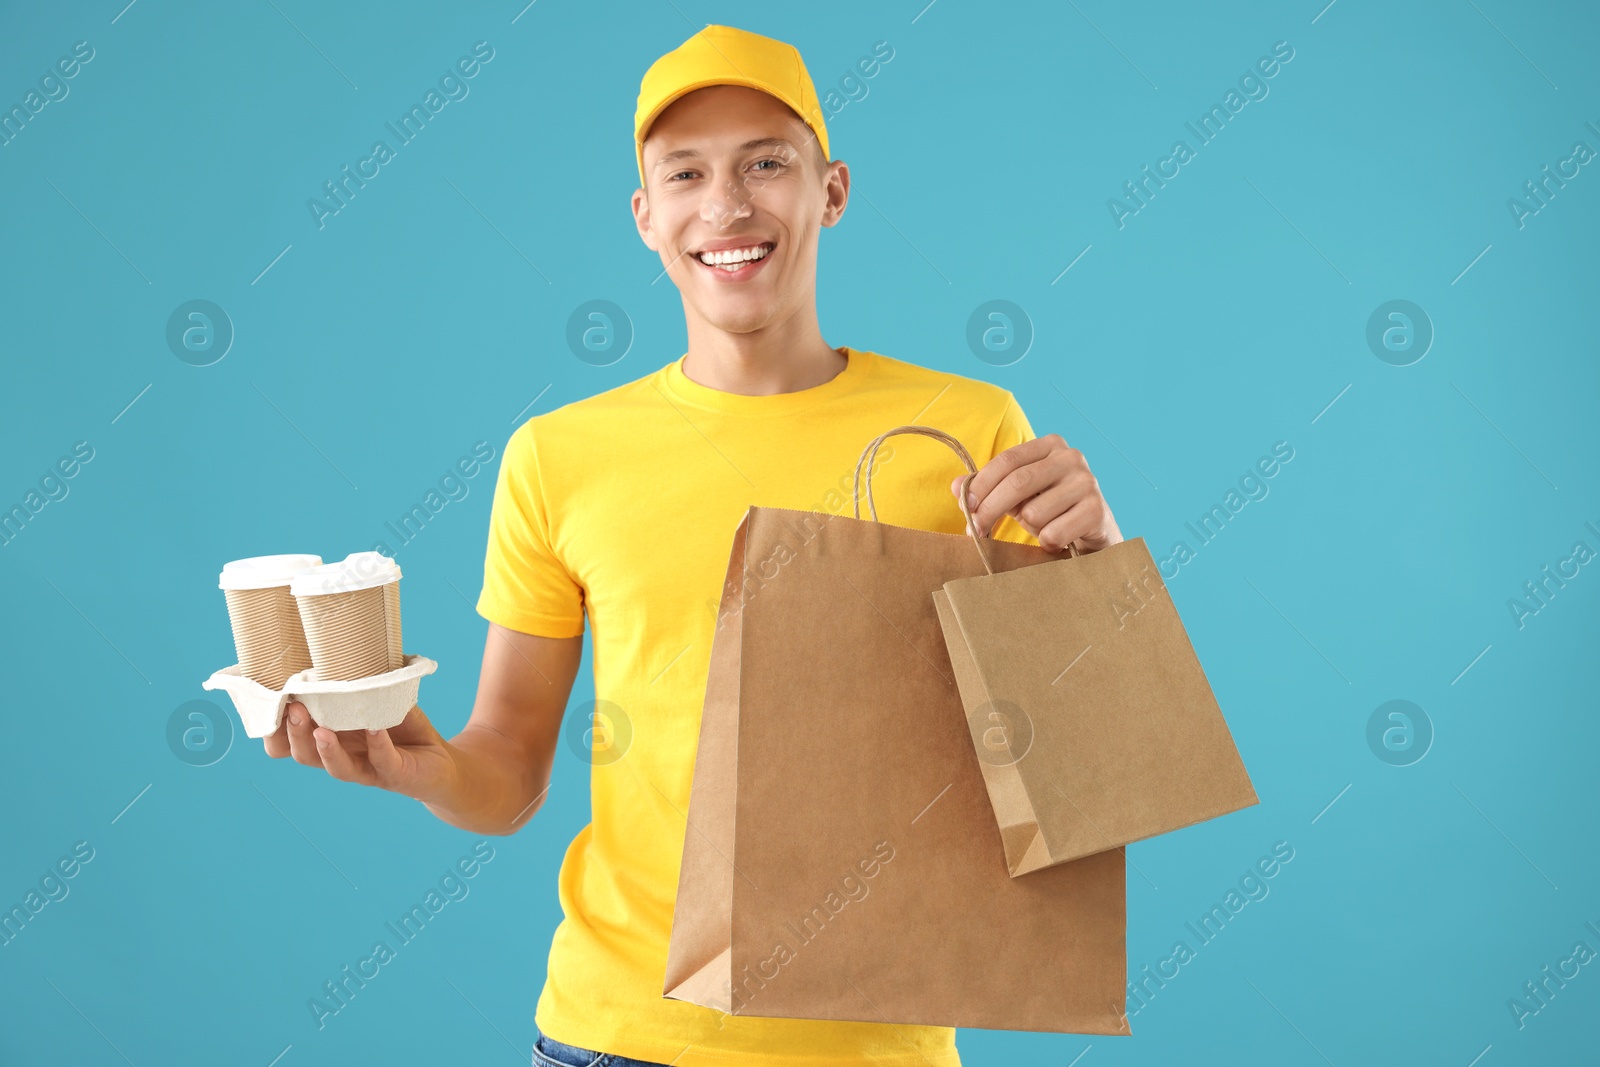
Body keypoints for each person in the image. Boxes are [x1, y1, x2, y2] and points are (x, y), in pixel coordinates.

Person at [263, 23, 1122, 1067]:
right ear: (646, 217)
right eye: (686, 174)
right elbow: (509, 774)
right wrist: (420, 764)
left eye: (767, 162)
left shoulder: (964, 425)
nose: (727, 204)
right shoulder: (559, 455)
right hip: (613, 1038)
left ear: (831, 191)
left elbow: (1076, 775)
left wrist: (1099, 566)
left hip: (871, 1045)